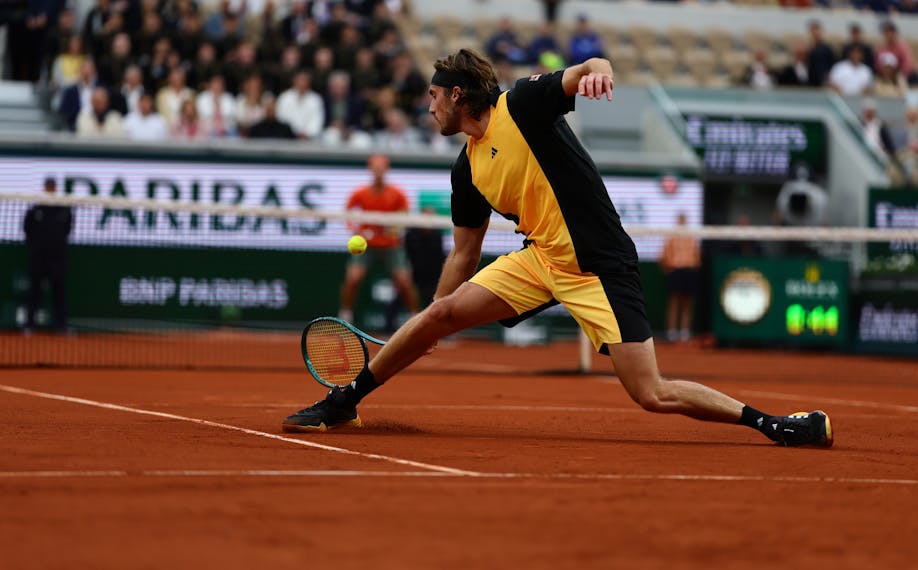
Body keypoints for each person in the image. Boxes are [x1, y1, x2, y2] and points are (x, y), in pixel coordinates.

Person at [283, 49, 833, 448]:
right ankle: (343, 402)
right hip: (538, 259)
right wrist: (434, 317)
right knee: (442, 311)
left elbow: (591, 67)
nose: (427, 108)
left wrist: (601, 74)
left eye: (431, 96)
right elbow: (464, 254)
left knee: (651, 393)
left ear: (457, 94)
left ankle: (774, 423)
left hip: (597, 263)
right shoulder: (466, 170)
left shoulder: (520, 104)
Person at [338, 154, 420, 330]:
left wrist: (395, 228)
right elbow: (348, 215)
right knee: (353, 278)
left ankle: (416, 319)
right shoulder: (360, 193)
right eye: (375, 169)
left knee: (405, 282)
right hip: (366, 245)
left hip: (391, 246)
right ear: (371, 170)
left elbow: (404, 216)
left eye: (381, 169)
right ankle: (345, 316)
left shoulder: (397, 194)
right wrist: (356, 229)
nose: (378, 172)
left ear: (386, 170)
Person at [23, 178, 72, 333]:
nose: (50, 189)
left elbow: (67, 229)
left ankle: (62, 326)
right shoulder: (35, 208)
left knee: (59, 292)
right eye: (48, 186)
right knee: (34, 293)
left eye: (52, 187)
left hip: (57, 258)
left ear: (55, 188)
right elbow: (27, 229)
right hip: (38, 258)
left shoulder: (63, 209)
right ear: (44, 188)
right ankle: (29, 325)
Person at [658, 213, 701, 342]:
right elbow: (664, 254)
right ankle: (672, 332)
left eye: (684, 219)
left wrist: (694, 266)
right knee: (674, 302)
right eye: (680, 219)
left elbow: (696, 255)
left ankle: (684, 332)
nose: (682, 221)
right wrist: (668, 267)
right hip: (676, 271)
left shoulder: (691, 237)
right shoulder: (671, 236)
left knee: (687, 303)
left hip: (688, 271)